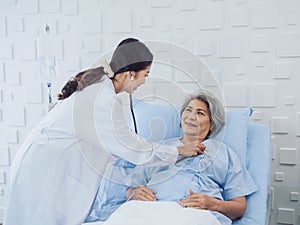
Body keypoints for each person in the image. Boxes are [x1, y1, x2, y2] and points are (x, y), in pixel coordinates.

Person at [3, 38, 205, 225]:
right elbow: (131, 147)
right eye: (146, 75)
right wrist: (178, 150)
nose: (144, 82)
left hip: (50, 165)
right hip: (43, 169)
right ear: (130, 74)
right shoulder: (102, 100)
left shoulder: (108, 92)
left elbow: (120, 146)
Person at [86, 91, 257, 225]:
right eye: (188, 110)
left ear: (212, 123)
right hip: (148, 210)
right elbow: (132, 187)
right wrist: (134, 194)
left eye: (200, 113)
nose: (191, 116)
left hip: (194, 214)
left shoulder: (224, 153)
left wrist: (213, 204)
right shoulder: (160, 149)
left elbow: (239, 207)